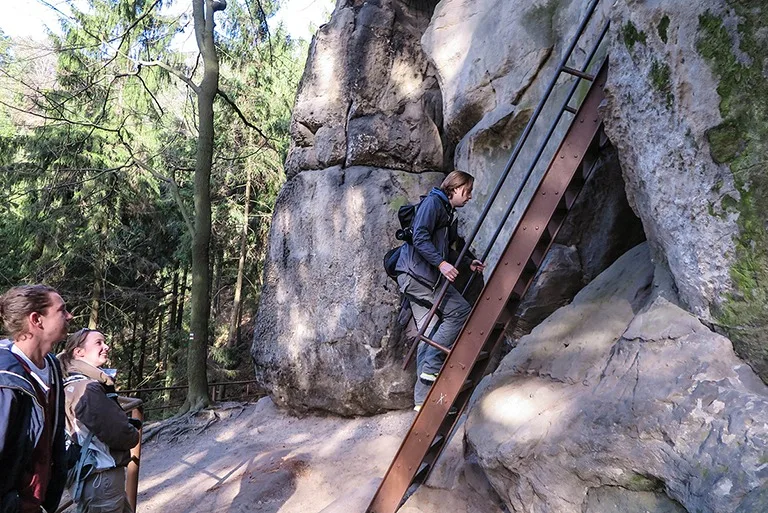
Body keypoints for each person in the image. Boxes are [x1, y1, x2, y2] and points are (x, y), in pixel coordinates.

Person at [394, 170, 485, 410]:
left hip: (420, 277)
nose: (469, 197)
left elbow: (445, 250)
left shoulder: (446, 210)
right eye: (467, 191)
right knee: (460, 311)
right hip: (417, 277)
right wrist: (442, 264)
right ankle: (432, 367)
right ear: (454, 188)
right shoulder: (434, 203)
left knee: (431, 330)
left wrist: (467, 263)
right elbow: (419, 237)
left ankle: (421, 399)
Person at [0, 284, 72, 513]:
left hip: (38, 503)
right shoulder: (5, 381)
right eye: (62, 310)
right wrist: (13, 504)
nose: (70, 316)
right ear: (36, 320)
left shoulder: (51, 366)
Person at [58, 328, 140, 513]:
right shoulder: (87, 389)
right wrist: (133, 433)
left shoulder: (68, 382)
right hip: (101, 477)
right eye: (99, 343)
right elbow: (119, 433)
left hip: (90, 474)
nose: (106, 346)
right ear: (79, 352)